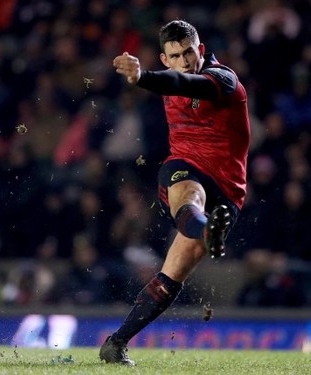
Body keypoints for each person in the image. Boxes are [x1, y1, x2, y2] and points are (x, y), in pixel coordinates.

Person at [99, 20, 250, 365]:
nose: (184, 61)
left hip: (227, 190)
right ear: (165, 59)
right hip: (184, 166)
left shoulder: (224, 79)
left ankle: (115, 343)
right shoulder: (169, 76)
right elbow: (175, 81)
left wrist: (144, 78)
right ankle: (206, 227)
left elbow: (186, 83)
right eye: (175, 56)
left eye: (189, 52)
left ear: (201, 49)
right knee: (189, 195)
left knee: (170, 277)